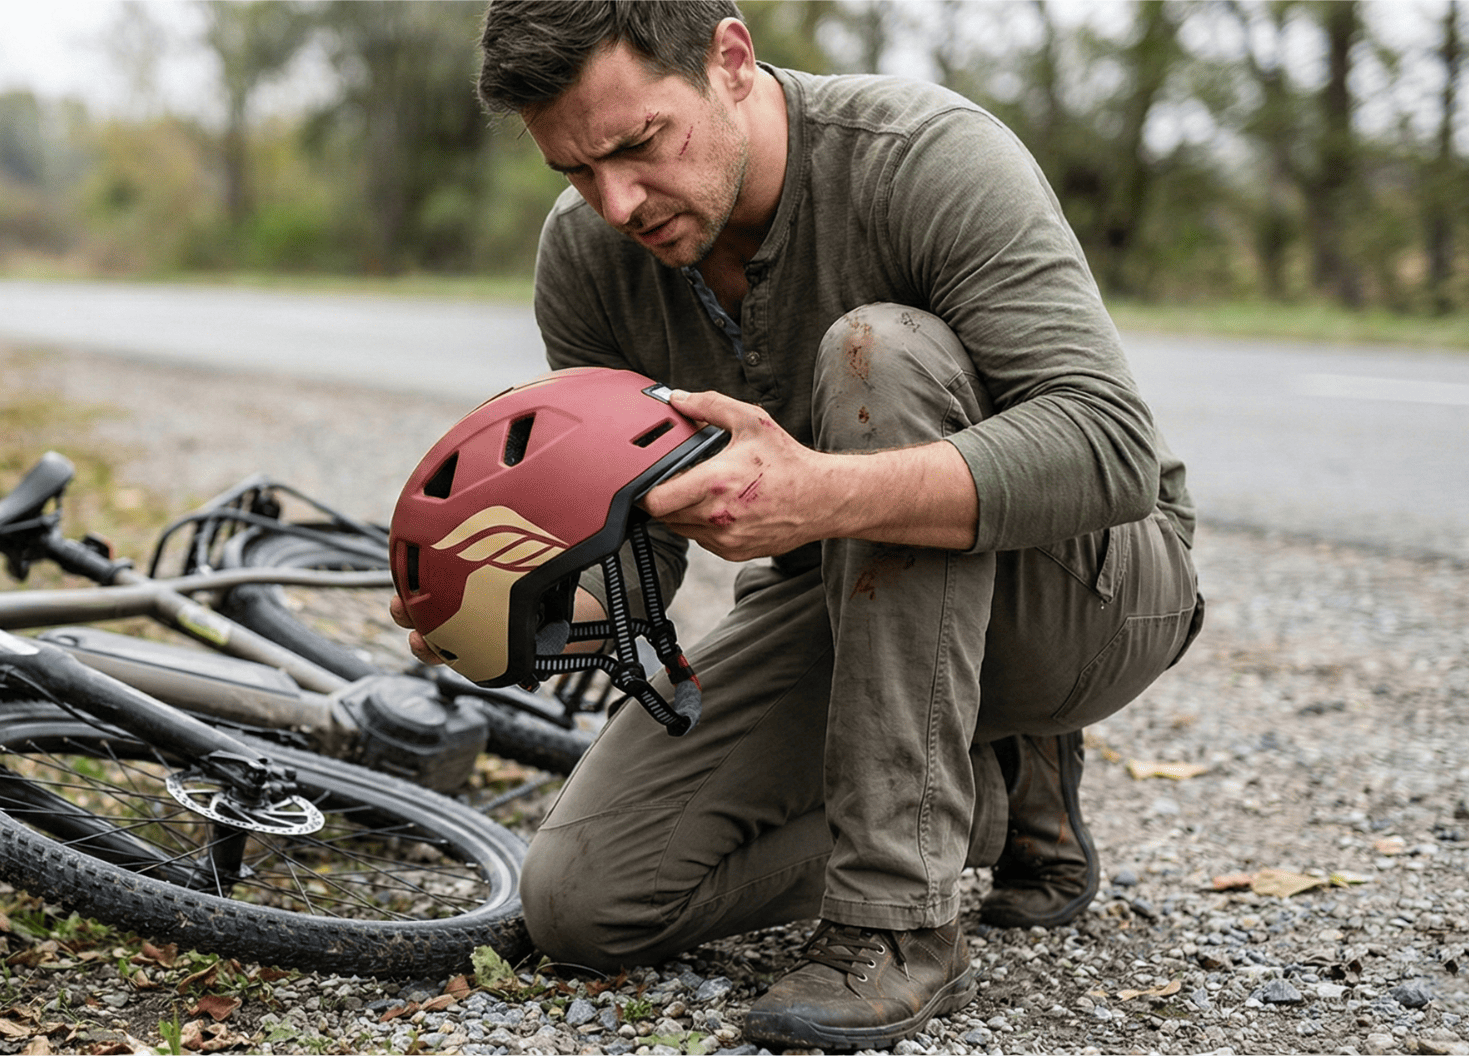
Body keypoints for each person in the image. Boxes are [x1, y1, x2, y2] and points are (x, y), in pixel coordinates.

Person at [393, 2, 1205, 1049]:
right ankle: (996, 797)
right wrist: (534, 605)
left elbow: (1109, 448)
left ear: (730, 59)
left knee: (883, 352)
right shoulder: (589, 258)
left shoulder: (923, 156)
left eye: (641, 145)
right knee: (586, 903)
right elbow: (644, 531)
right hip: (841, 596)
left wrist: (820, 495)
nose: (618, 202)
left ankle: (895, 922)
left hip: (1088, 591)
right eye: (577, 173)